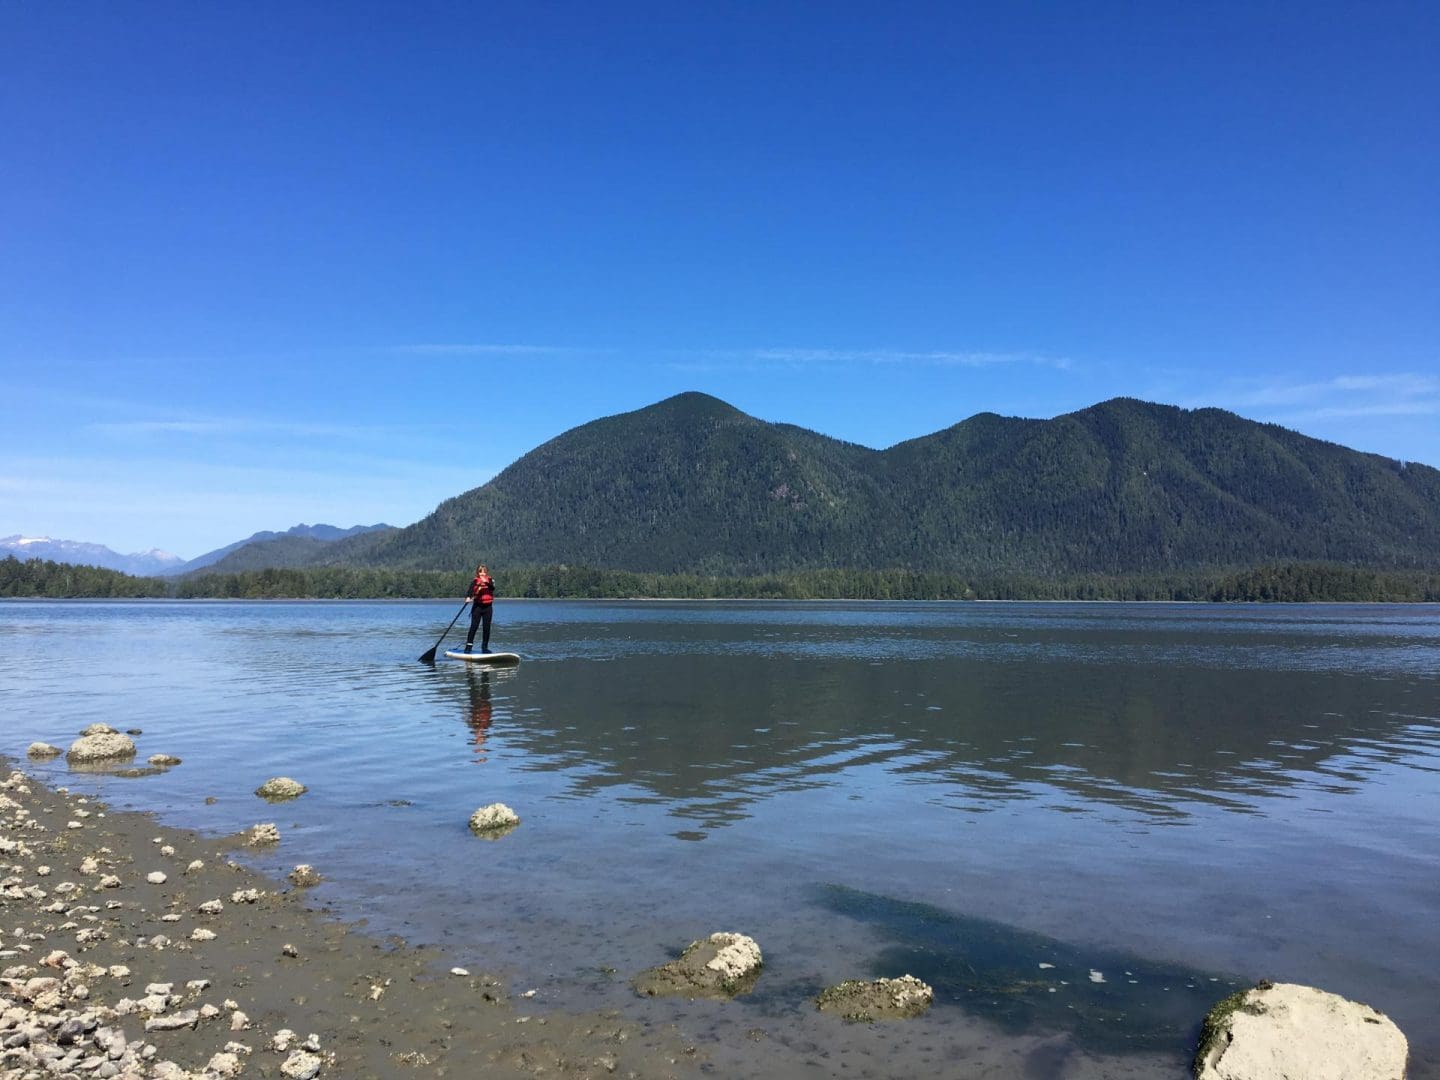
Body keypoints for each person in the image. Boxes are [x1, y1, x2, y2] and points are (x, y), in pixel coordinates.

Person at [462, 563, 495, 653]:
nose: (482, 574)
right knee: (474, 627)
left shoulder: (490, 580)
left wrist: (486, 582)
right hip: (477, 607)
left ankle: (484, 648)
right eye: (480, 572)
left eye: (484, 572)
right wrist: (468, 597)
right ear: (478, 573)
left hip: (488, 608)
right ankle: (468, 647)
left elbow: (492, 588)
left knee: (486, 628)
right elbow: (470, 591)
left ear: (486, 572)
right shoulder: (475, 581)